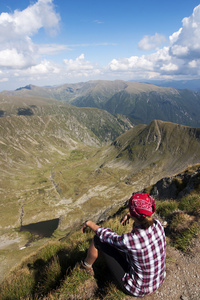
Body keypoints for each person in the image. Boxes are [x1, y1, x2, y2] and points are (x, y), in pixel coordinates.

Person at [81, 193, 166, 297]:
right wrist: (131, 215)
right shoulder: (158, 224)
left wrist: (90, 224)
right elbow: (142, 221)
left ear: (132, 212)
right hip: (158, 280)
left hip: (138, 289)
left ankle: (86, 267)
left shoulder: (131, 240)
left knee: (98, 239)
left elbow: (109, 237)